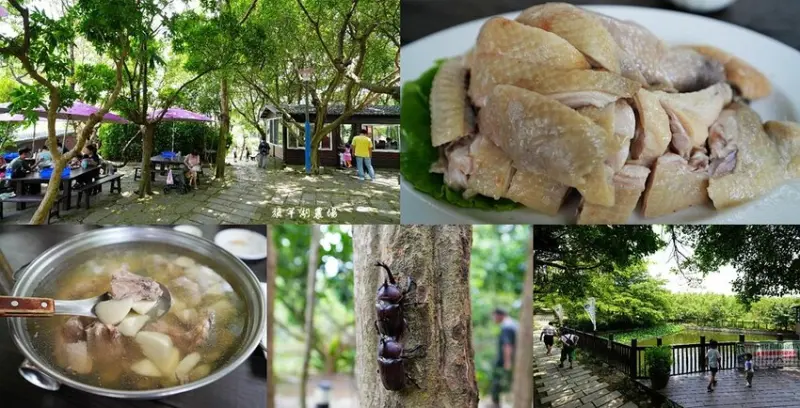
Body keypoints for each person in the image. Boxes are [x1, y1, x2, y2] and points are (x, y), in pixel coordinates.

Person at [490, 308, 518, 408]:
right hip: (514, 359)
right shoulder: (514, 324)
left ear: (500, 315)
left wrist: (507, 362)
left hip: (505, 360)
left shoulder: (507, 326)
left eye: (494, 316)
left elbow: (507, 345)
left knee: (497, 381)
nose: (493, 318)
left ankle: (495, 404)